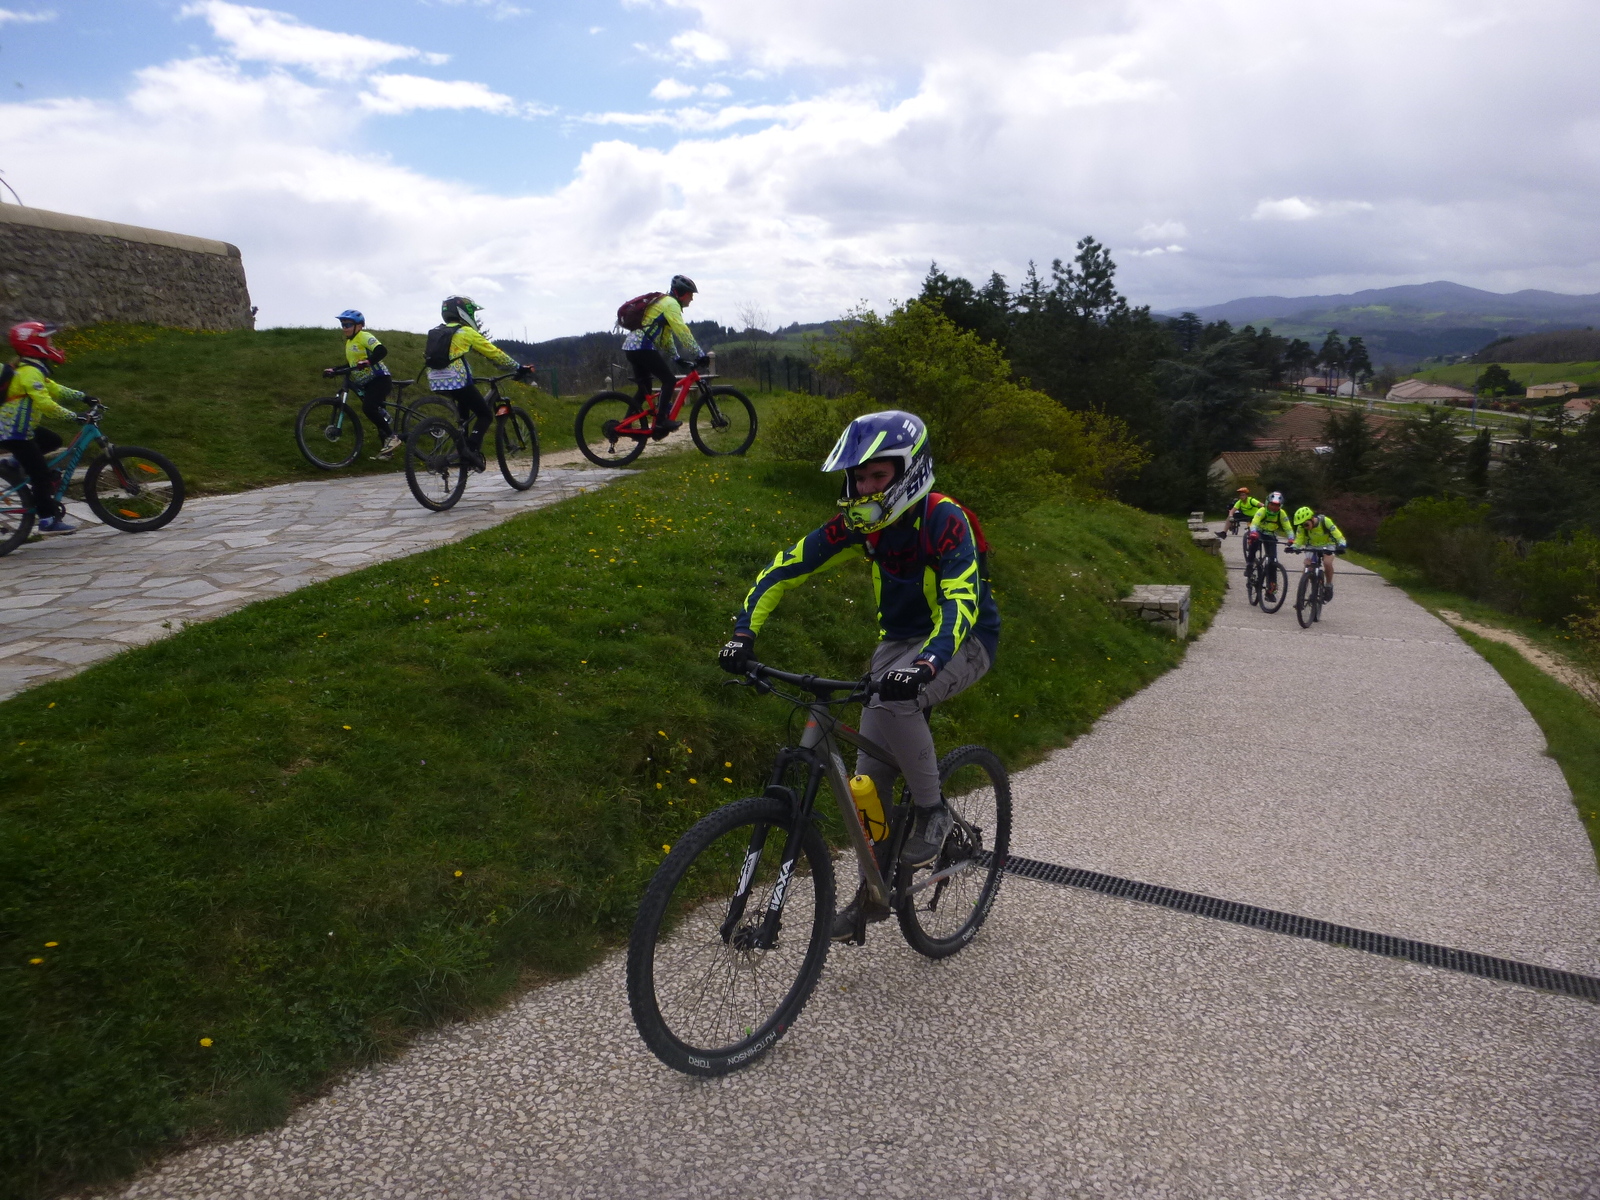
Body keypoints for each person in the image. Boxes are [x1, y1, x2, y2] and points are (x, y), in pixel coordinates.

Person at [717, 410, 1001, 939]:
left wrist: (926, 665)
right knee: (868, 780)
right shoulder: (860, 526)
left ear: (909, 472)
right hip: (897, 644)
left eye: (878, 475)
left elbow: (960, 601)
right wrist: (742, 633)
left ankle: (933, 811)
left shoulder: (944, 519)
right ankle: (871, 896)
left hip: (965, 640)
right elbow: (785, 568)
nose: (866, 487)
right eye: (859, 477)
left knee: (896, 703)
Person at [425, 296, 534, 471]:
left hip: (435, 380)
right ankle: (470, 449)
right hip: (456, 380)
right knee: (485, 414)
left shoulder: (437, 331)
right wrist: (518, 367)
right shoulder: (465, 332)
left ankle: (462, 450)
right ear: (464, 313)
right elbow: (494, 353)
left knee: (464, 415)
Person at [0, 321, 88, 535]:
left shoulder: (31, 367)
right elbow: (46, 404)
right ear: (34, 344)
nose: (52, 345)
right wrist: (73, 416)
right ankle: (47, 520)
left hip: (20, 430)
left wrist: (83, 397)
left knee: (52, 440)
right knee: (41, 477)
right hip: (15, 434)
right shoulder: (29, 372)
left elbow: (53, 388)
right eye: (48, 341)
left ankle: (14, 464)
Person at [622, 275, 707, 439]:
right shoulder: (671, 304)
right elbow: (682, 331)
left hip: (632, 347)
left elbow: (666, 338)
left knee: (645, 390)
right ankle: (661, 421)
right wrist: (700, 354)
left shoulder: (664, 303)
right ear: (682, 293)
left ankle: (626, 424)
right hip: (642, 347)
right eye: (691, 294)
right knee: (669, 380)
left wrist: (676, 358)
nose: (692, 298)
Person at [325, 309, 400, 459]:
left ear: (359, 326)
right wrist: (335, 369)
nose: (344, 328)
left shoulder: (364, 336)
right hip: (367, 382)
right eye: (342, 325)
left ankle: (393, 437)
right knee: (378, 414)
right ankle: (388, 452)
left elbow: (381, 351)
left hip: (379, 379)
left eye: (348, 324)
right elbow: (351, 364)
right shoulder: (349, 342)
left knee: (369, 408)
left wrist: (368, 361)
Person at [1292, 506, 1347, 600]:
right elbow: (1299, 539)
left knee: (1327, 563)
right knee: (1308, 566)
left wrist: (1342, 544)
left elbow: (1337, 534)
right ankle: (1301, 596)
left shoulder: (1325, 521)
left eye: (1306, 524)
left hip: (1328, 544)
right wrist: (1294, 547)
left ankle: (1329, 585)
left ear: (1312, 518)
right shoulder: (1302, 527)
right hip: (1312, 545)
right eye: (1302, 525)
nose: (1304, 527)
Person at [1249, 491, 1296, 600]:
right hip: (1259, 532)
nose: (1274, 507)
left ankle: (1270, 591)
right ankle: (1249, 564)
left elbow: (1288, 527)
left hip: (1270, 535)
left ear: (1280, 506)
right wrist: (1253, 532)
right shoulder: (1262, 510)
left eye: (1277, 505)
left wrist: (1291, 538)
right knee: (1254, 543)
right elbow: (1254, 522)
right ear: (1267, 503)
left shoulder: (1281, 513)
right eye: (1272, 504)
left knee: (1272, 562)